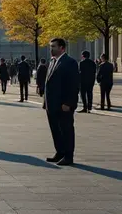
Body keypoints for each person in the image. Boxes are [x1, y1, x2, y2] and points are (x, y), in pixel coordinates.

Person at [43, 38, 80, 166]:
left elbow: (74, 85)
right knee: (55, 130)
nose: (51, 49)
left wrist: (68, 103)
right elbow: (49, 83)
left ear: (62, 48)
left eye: (53, 46)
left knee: (66, 130)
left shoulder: (70, 62)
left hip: (63, 105)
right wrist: (45, 102)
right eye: (50, 46)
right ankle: (59, 152)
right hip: (51, 105)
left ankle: (68, 156)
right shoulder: (53, 62)